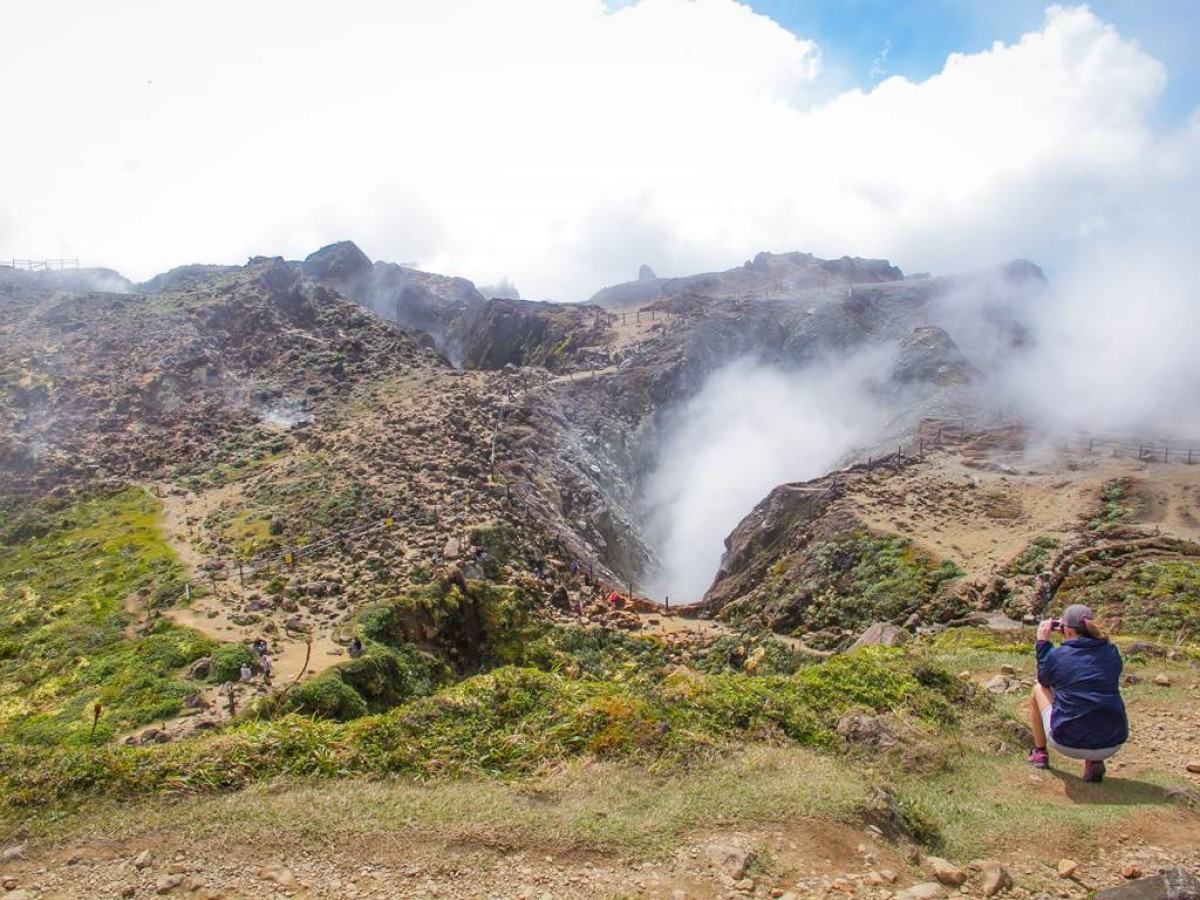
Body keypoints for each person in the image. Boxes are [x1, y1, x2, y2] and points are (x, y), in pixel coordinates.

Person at [1027, 604, 1128, 782]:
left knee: (1038, 689)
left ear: (1067, 629)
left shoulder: (1058, 655)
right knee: (1094, 693)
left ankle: (1039, 753)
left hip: (1067, 742)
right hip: (1112, 744)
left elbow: (1044, 680)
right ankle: (1094, 761)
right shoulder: (1111, 652)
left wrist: (1043, 643)